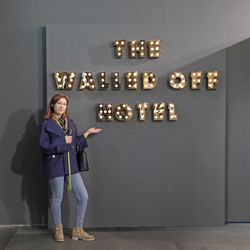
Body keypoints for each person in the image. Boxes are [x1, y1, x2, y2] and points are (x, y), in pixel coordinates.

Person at [39, 94, 102, 242]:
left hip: (71, 164)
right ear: (53, 105)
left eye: (64, 104)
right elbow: (44, 146)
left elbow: (73, 143)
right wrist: (62, 140)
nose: (62, 106)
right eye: (59, 103)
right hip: (55, 165)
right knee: (57, 198)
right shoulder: (46, 124)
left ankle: (77, 230)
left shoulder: (70, 123)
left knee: (83, 196)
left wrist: (86, 134)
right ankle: (59, 229)